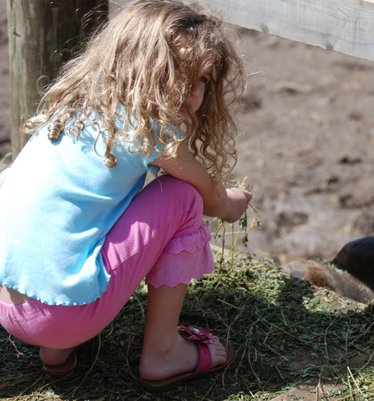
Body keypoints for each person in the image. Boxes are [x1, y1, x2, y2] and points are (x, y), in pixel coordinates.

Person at [0, 0, 252, 392]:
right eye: (176, 75)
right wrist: (229, 202)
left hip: (8, 302)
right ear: (137, 68)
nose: (192, 92)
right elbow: (209, 195)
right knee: (183, 197)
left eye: (202, 79)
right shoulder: (150, 129)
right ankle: (163, 353)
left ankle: (56, 354)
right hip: (64, 317)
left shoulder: (74, 108)